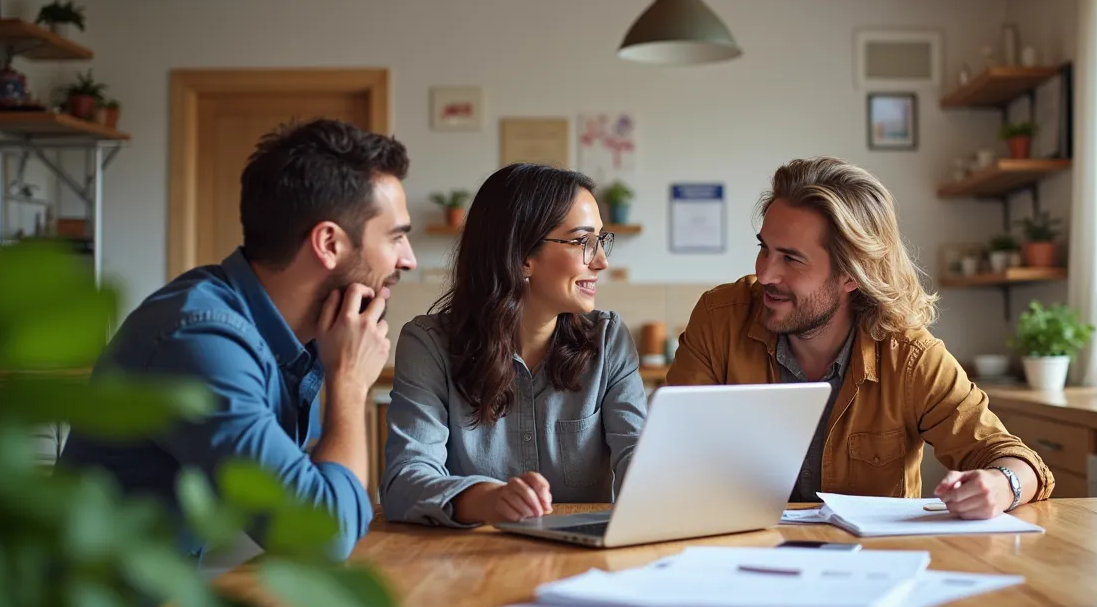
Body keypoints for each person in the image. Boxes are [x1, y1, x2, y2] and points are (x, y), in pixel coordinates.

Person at [59, 119, 417, 562]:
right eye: (397, 236)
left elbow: (327, 498)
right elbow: (321, 537)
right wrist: (348, 386)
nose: (409, 260)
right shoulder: (200, 340)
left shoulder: (295, 338)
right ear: (328, 242)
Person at [665, 157, 1053, 519]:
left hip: (873, 568)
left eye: (791, 259)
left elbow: (1012, 457)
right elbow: (671, 455)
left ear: (853, 275)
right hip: (739, 556)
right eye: (764, 249)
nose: (765, 274)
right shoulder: (719, 319)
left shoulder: (909, 355)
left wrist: (1002, 485)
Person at [381, 163, 645, 527]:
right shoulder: (429, 346)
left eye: (601, 240)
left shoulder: (608, 339)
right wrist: (487, 499)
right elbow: (403, 481)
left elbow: (640, 456)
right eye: (583, 241)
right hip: (468, 563)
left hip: (585, 563)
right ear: (522, 255)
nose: (601, 261)